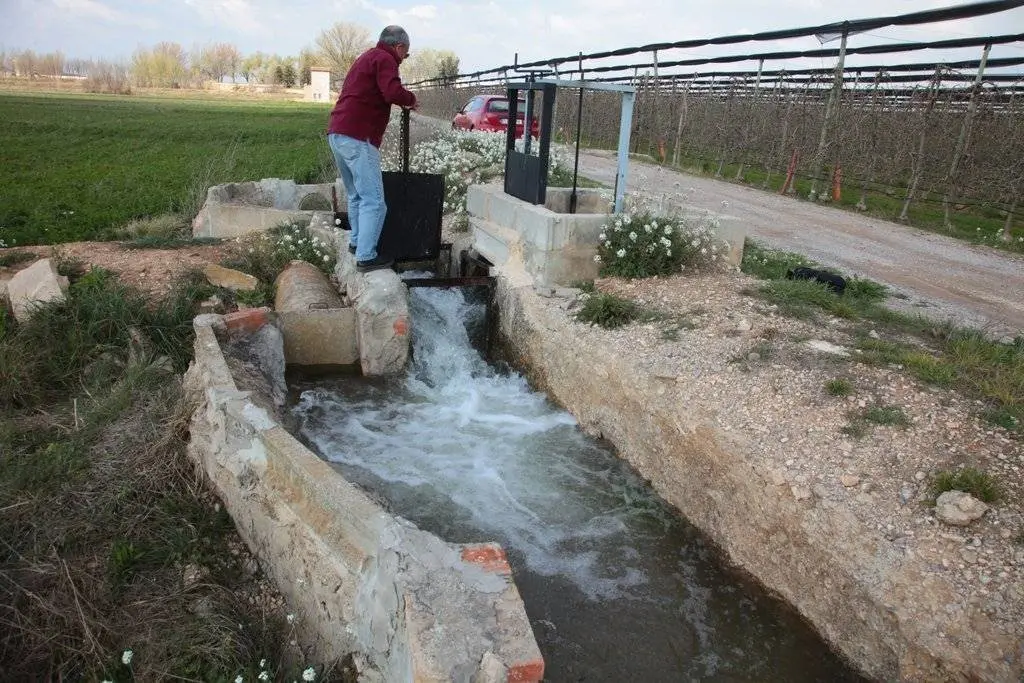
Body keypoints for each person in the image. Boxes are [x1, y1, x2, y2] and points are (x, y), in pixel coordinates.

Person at [327, 25, 418, 273]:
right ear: (399, 47)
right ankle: (366, 256)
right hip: (359, 136)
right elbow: (391, 91)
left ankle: (357, 243)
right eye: (405, 54)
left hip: (338, 133)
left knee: (356, 194)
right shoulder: (385, 58)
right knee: (375, 201)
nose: (403, 59)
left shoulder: (366, 57)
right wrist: (411, 100)